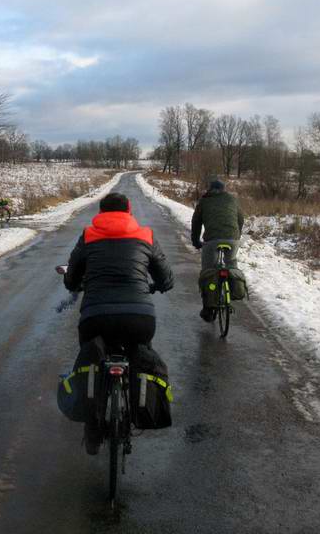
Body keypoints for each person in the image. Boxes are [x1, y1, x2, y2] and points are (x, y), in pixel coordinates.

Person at [63, 192, 174, 454]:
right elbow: (166, 278)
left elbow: (71, 278)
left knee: (90, 356)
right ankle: (138, 409)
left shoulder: (88, 235)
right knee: (140, 355)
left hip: (95, 317)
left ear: (100, 212)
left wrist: (76, 282)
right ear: (129, 211)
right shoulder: (145, 235)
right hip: (139, 317)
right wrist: (156, 285)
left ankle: (91, 430)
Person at [190, 178, 244, 321]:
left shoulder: (204, 201)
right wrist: (236, 236)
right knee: (231, 264)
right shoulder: (232, 199)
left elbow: (196, 223)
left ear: (210, 189)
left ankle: (208, 308)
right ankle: (233, 291)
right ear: (223, 189)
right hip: (233, 239)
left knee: (208, 272)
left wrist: (196, 242)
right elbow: (241, 219)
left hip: (212, 240)